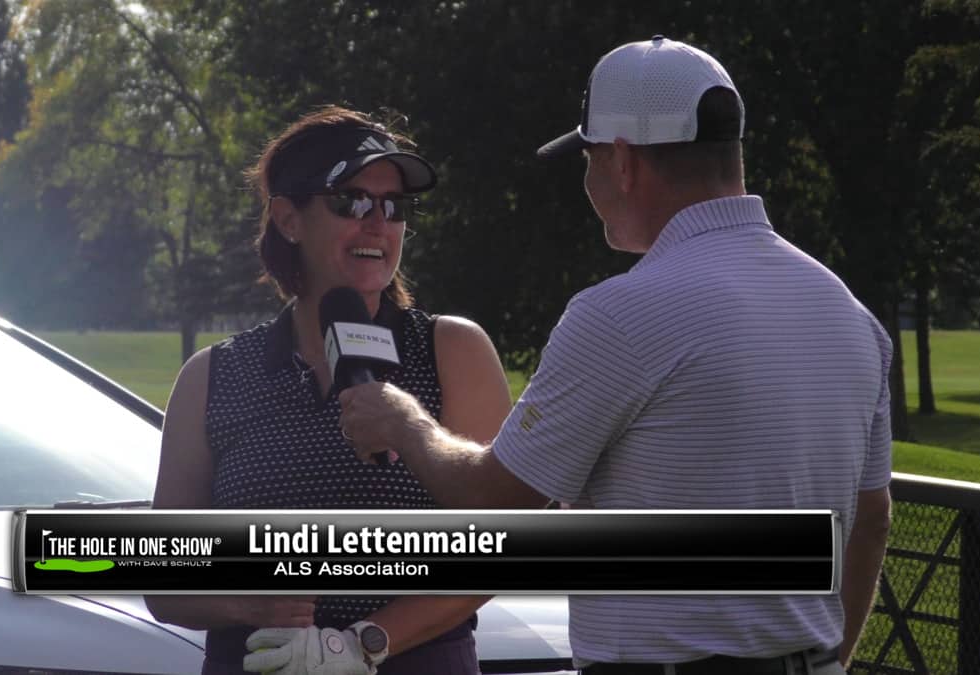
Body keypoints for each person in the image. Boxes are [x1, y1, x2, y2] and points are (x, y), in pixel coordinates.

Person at [340, 37, 893, 675]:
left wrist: (404, 423)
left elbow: (496, 500)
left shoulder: (620, 314)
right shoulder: (848, 313)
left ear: (623, 162)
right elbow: (871, 520)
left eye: (590, 159)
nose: (589, 180)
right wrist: (831, 663)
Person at [145, 106, 512, 675]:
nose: (378, 224)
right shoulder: (212, 376)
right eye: (352, 202)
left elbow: (503, 542)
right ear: (288, 219)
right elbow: (163, 581)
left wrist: (361, 644)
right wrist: (248, 603)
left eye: (394, 207)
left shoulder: (451, 351)